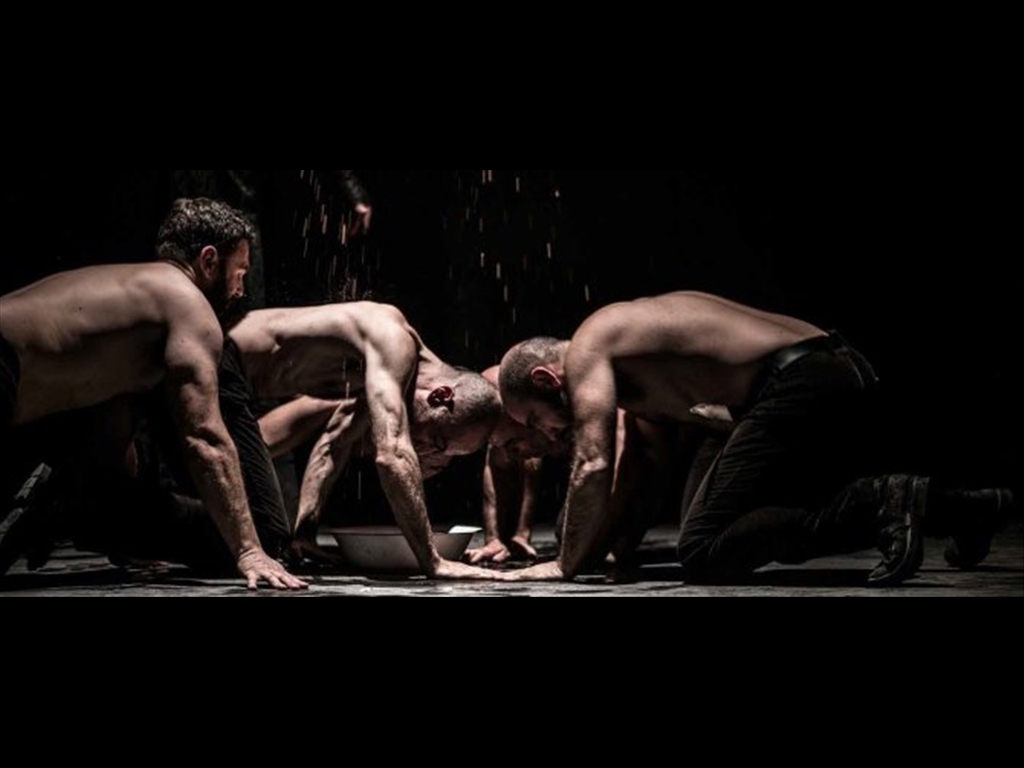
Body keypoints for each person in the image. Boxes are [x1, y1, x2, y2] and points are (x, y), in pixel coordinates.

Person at [498, 291, 1014, 585]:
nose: (543, 434)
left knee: (702, 550)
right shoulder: (634, 371)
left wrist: (562, 566)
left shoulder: (589, 345)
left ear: (547, 379)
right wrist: (602, 551)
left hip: (800, 378)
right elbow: (639, 474)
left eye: (534, 419)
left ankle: (885, 499)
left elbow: (593, 464)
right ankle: (962, 509)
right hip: (822, 370)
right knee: (726, 535)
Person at [0, 198, 306, 590]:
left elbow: (110, 435)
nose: (241, 289)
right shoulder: (188, 304)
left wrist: (117, 523)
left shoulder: (128, 297)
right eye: (240, 272)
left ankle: (68, 505)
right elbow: (204, 436)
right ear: (209, 260)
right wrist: (249, 550)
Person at [228, 302, 505, 580]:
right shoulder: (394, 341)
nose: (427, 451)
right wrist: (433, 561)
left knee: (274, 538)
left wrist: (305, 532)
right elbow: (392, 455)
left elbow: (333, 443)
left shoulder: (385, 374)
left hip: (233, 381)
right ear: (440, 396)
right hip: (222, 360)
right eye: (438, 441)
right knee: (267, 538)